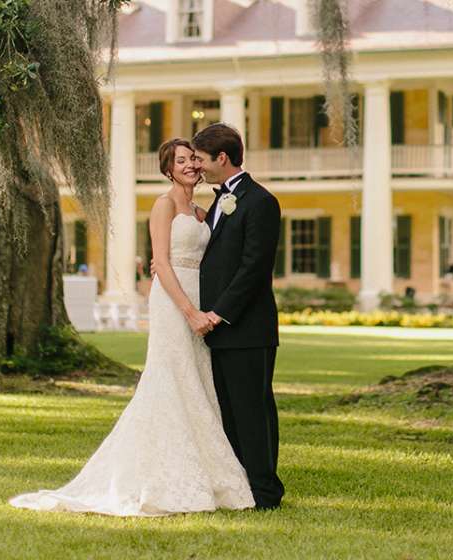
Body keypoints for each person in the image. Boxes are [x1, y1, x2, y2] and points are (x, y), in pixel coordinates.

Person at [8, 138, 254, 517]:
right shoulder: (164, 205)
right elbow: (162, 263)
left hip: (201, 301)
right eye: (182, 160)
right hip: (174, 304)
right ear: (168, 169)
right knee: (170, 379)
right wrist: (189, 312)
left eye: (194, 159)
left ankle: (208, 472)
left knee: (198, 382)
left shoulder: (205, 213)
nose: (191, 165)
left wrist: (208, 309)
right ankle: (157, 476)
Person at [194, 123, 285, 510]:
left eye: (200, 159)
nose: (197, 166)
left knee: (253, 412)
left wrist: (218, 314)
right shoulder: (220, 201)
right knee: (230, 413)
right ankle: (242, 487)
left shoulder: (260, 201)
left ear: (222, 158)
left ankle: (266, 493)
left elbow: (253, 268)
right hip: (220, 330)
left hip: (247, 328)